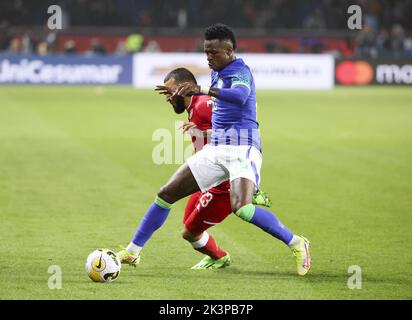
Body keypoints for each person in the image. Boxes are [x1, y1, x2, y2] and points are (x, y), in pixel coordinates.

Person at [118, 23, 311, 276]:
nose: (208, 57)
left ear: (230, 51)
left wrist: (201, 90)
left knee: (241, 208)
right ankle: (133, 251)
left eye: (214, 52)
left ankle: (297, 243)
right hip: (217, 148)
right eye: (206, 52)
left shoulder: (240, 71)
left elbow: (240, 96)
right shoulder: (216, 71)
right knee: (166, 194)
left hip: (243, 147)